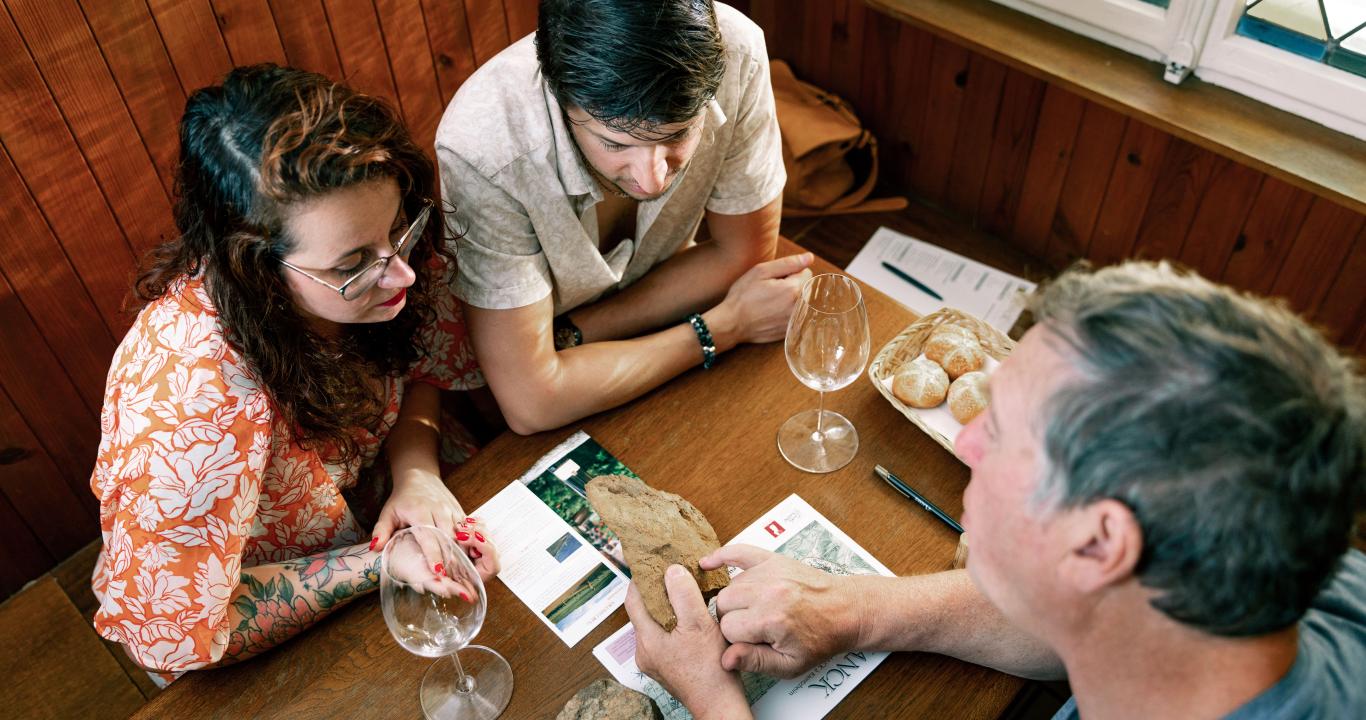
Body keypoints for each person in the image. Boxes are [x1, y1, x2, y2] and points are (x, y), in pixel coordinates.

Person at [626, 261, 1366, 718]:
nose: (967, 441)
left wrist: (713, 702)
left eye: (1004, 430)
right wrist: (850, 610)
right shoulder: (1282, 575)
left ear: (1100, 540)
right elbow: (1094, 618)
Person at [89, 64, 498, 682]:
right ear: (257, 268)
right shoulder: (188, 411)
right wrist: (380, 564)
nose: (403, 276)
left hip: (385, 502)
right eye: (353, 264)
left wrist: (416, 471)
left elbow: (420, 370)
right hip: (249, 595)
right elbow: (175, 634)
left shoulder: (379, 256)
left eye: (399, 231)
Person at [436, 0, 812, 434]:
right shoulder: (484, 147)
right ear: (558, 96)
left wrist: (574, 334)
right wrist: (724, 327)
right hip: (507, 394)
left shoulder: (736, 51)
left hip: (613, 344)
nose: (652, 181)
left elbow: (742, 253)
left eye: (678, 134)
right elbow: (531, 403)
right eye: (615, 144)